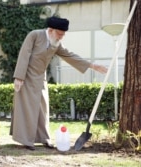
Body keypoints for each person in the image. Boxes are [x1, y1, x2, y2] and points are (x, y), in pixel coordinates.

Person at [9, 16, 107, 151]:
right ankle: (27, 140)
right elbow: (24, 54)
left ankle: (44, 139)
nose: (61, 37)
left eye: (63, 34)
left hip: (40, 78)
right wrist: (19, 77)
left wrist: (92, 66)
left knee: (43, 109)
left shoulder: (56, 44)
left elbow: (69, 56)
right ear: (50, 30)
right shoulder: (35, 35)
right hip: (26, 77)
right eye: (59, 34)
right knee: (28, 109)